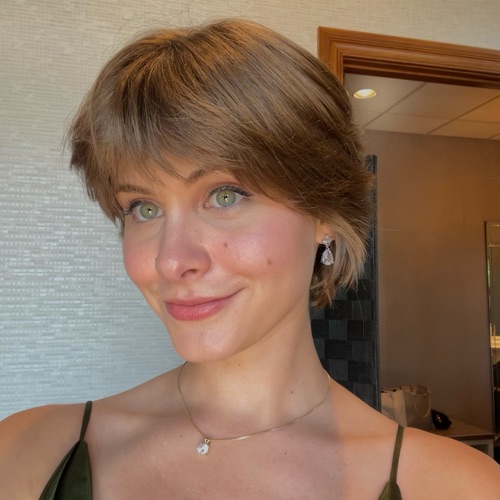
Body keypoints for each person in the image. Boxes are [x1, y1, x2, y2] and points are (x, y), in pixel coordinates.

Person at [0, 18, 498, 500]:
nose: (172, 261)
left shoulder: (460, 487)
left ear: (325, 211)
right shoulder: (28, 453)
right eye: (144, 208)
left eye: (226, 195)